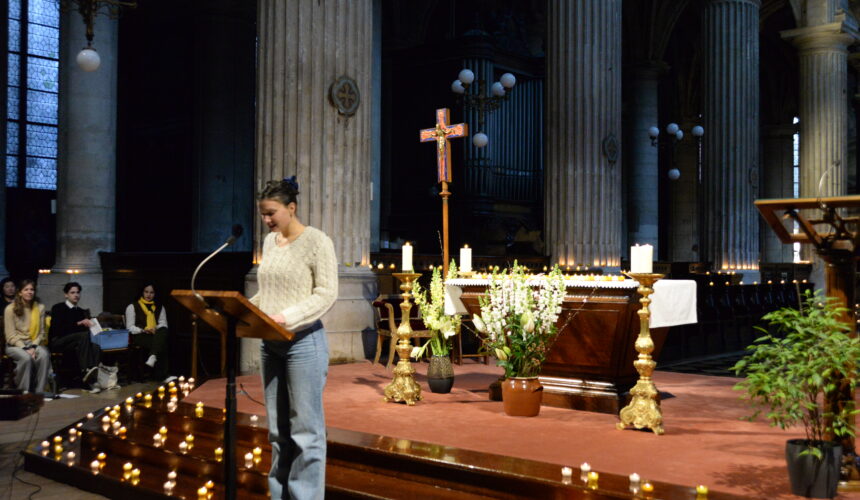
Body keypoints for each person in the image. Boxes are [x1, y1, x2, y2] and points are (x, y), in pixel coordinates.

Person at [251, 176, 338, 499]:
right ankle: (280, 494)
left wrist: (285, 318)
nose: (266, 220)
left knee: (306, 432)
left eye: (271, 213)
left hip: (304, 343)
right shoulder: (271, 243)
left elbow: (326, 294)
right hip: (269, 342)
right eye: (262, 214)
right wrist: (246, 310)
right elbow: (268, 291)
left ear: (292, 207)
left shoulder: (317, 241)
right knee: (278, 431)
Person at [3, 280, 52, 393]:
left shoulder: (40, 308)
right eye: (26, 290)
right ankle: (24, 390)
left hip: (33, 342)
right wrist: (25, 348)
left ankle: (40, 391)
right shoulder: (10, 309)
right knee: (26, 358)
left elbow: (42, 333)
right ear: (20, 292)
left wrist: (33, 347)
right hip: (15, 345)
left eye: (32, 289)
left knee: (44, 355)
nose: (30, 292)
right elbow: (10, 336)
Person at [48, 282, 100, 386]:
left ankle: (92, 377)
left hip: (76, 342)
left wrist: (92, 326)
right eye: (72, 292)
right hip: (58, 340)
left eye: (78, 292)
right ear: (66, 295)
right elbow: (58, 329)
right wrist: (79, 323)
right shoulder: (58, 308)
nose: (76, 295)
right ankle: (86, 370)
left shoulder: (80, 311)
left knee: (95, 344)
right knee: (84, 336)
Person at [125, 283, 170, 381]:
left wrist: (155, 328)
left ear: (155, 294)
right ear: (142, 292)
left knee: (163, 330)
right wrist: (143, 330)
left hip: (155, 334)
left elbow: (163, 323)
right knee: (162, 343)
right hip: (139, 335)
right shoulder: (132, 306)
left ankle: (152, 355)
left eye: (151, 292)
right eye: (146, 292)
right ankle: (162, 376)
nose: (148, 295)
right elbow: (129, 327)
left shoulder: (160, 307)